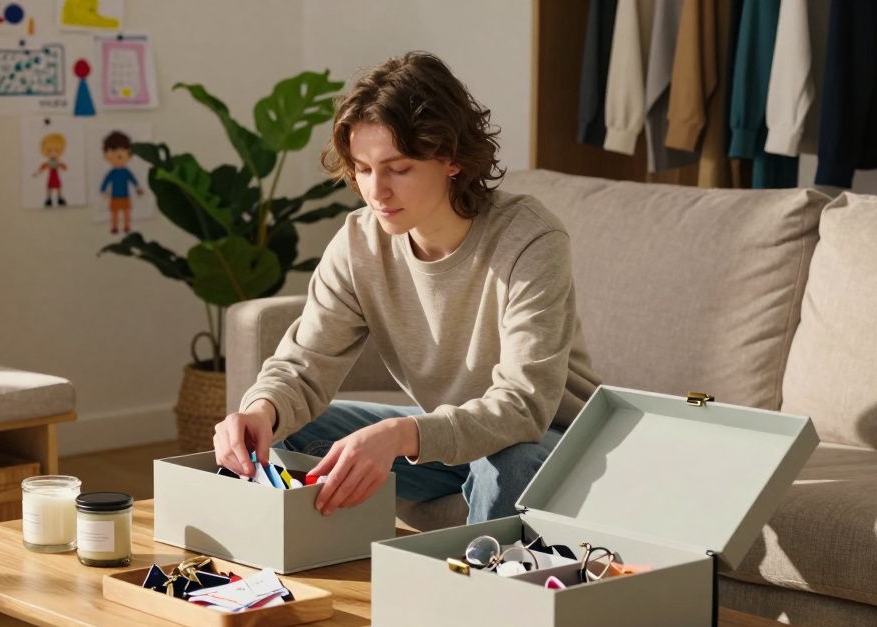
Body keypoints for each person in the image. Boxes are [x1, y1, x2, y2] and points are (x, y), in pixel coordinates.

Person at [213, 52, 601, 524]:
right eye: (362, 168)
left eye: (398, 168)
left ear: (451, 159)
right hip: (446, 442)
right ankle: (321, 585)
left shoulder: (530, 239)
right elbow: (303, 365)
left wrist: (401, 434)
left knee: (509, 461)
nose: (376, 191)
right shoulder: (360, 242)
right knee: (283, 434)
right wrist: (260, 411)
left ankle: (478, 593)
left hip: (550, 442)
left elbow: (524, 406)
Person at [99, 131, 144, 234]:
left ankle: (127, 226)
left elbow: (133, 180)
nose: (117, 158)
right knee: (114, 213)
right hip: (115, 196)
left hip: (125, 196)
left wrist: (138, 188)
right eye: (113, 155)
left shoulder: (126, 171)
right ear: (107, 156)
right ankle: (114, 227)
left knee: (126, 212)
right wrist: (103, 190)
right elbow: (106, 181)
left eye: (120, 156)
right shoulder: (112, 172)